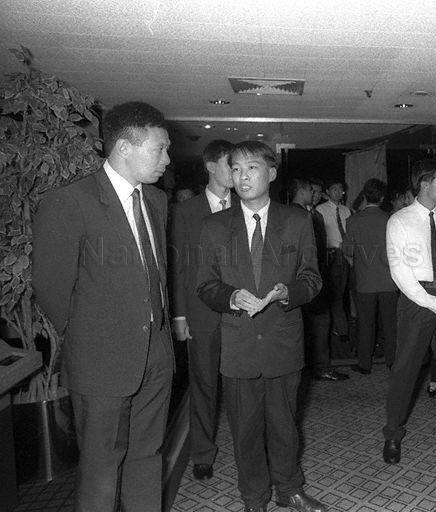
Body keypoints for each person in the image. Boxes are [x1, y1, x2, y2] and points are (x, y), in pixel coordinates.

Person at [32, 101, 173, 512]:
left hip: (156, 355)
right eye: (159, 149)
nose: (167, 159)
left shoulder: (156, 201)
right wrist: (89, 338)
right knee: (100, 473)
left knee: (147, 459)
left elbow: (156, 274)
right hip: (101, 362)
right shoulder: (70, 202)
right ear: (124, 147)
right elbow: (51, 288)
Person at [196, 141, 326, 512]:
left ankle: (290, 489)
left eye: (251, 167)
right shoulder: (214, 226)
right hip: (238, 347)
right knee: (245, 430)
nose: (242, 176)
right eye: (235, 169)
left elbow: (312, 279)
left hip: (283, 342)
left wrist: (289, 292)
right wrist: (231, 296)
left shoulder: (298, 221)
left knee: (285, 426)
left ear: (271, 172)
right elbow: (205, 285)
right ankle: (254, 498)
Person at [383, 160, 436, 464]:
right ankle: (393, 433)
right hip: (416, 300)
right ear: (425, 184)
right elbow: (399, 272)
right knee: (405, 369)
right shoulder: (399, 220)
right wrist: (432, 302)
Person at [170, 139, 234, 480]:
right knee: (204, 386)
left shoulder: (248, 207)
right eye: (229, 164)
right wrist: (180, 315)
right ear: (210, 166)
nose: (236, 172)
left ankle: (248, 446)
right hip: (201, 313)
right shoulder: (186, 212)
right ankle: (203, 453)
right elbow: (179, 267)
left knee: (241, 386)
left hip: (241, 313)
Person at [289, 177, 348, 382]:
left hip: (316, 272)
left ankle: (315, 365)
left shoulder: (311, 213)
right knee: (320, 320)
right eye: (313, 191)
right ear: (303, 191)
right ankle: (320, 367)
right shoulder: (297, 214)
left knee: (317, 321)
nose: (316, 195)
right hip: (308, 276)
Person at [343, 178, 398, 374]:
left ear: (365, 196)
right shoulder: (391, 219)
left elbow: (348, 251)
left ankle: (364, 363)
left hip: (365, 281)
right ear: (382, 198)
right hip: (389, 281)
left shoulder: (353, 221)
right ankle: (393, 361)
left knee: (365, 323)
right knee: (390, 324)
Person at [315, 178, 351, 341]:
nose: (338, 192)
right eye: (334, 189)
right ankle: (341, 328)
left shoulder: (346, 210)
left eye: (340, 189)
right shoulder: (321, 210)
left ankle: (340, 325)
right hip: (332, 254)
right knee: (335, 293)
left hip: (346, 254)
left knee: (342, 292)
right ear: (327, 192)